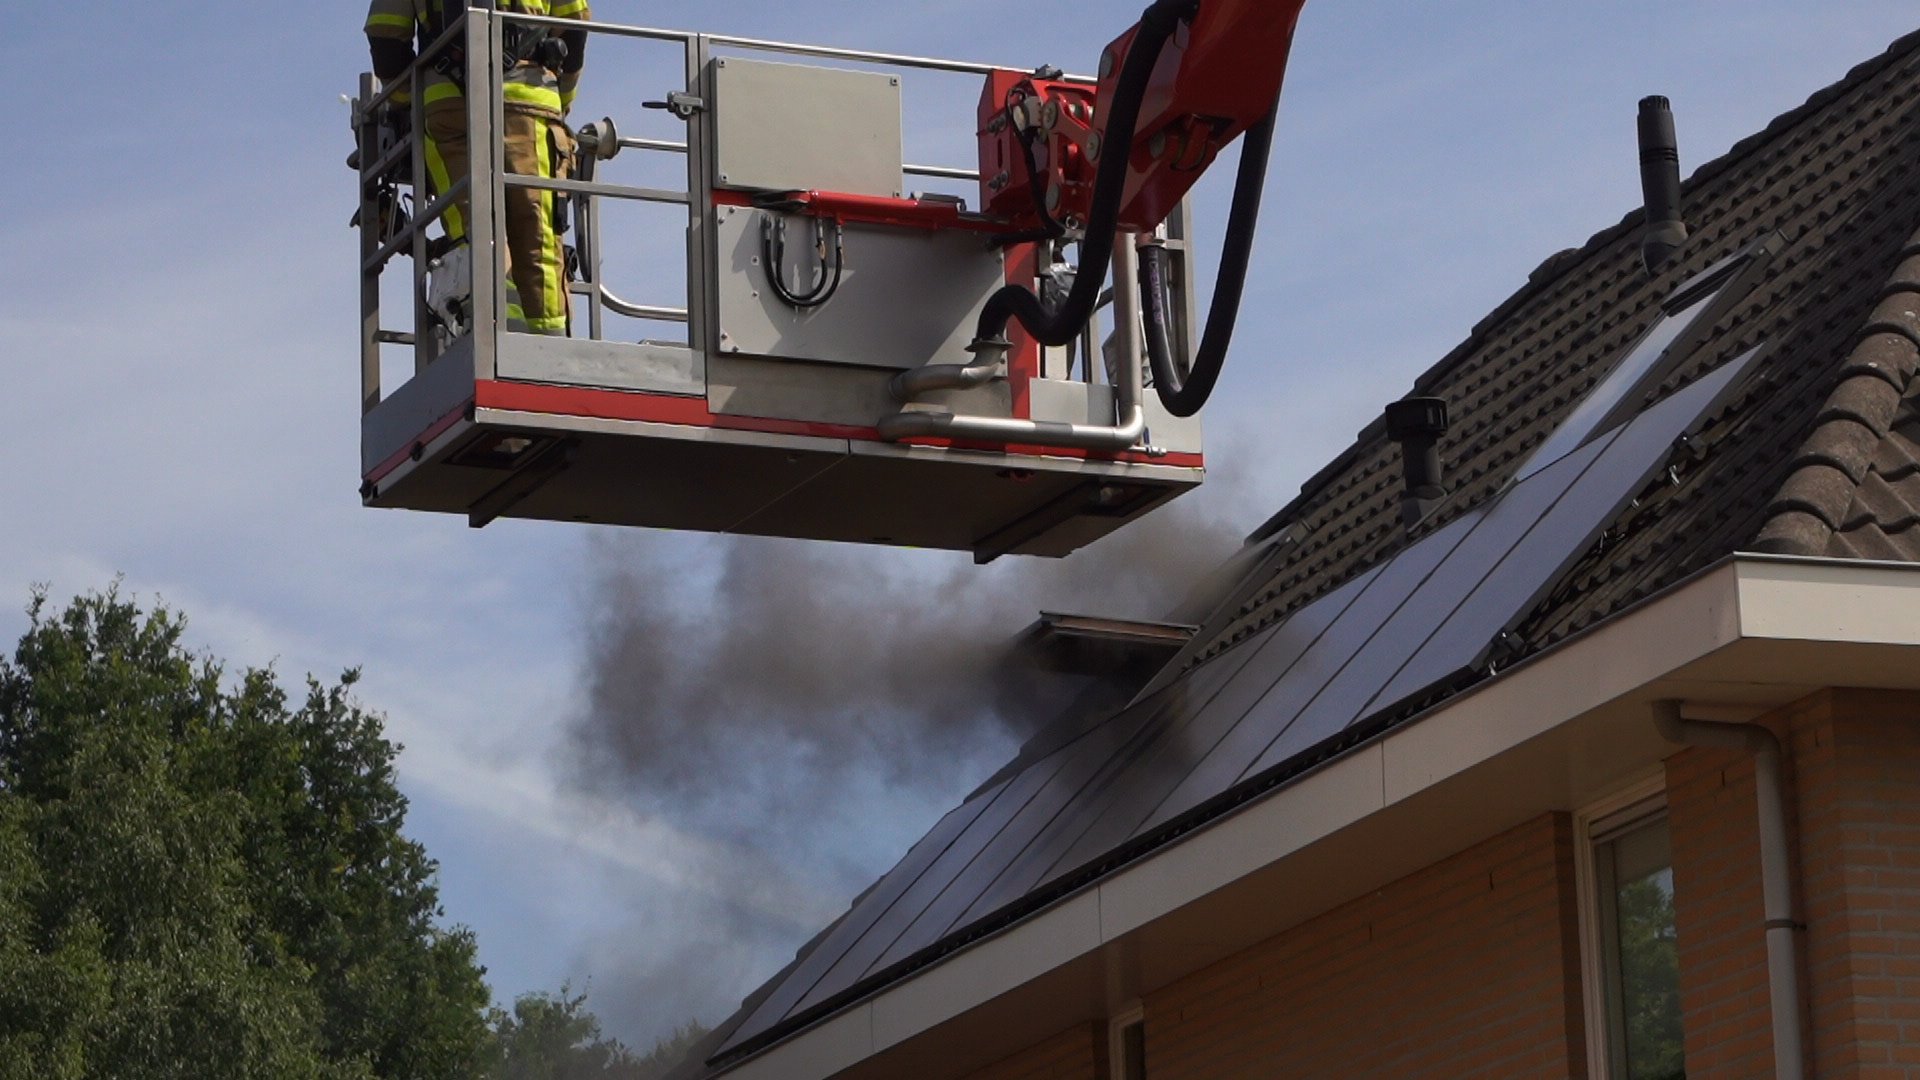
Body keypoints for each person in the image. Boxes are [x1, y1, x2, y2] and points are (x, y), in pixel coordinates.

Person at [366, 0, 590, 336]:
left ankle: (491, 333)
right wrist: (562, 100)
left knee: (474, 233)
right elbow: (574, 24)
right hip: (530, 103)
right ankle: (549, 351)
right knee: (538, 237)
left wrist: (408, 101)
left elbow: (386, 34)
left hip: (447, 108)